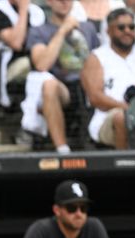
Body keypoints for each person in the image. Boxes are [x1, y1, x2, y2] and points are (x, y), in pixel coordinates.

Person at [20, 0, 100, 153]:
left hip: (89, 85)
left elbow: (101, 60)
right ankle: (62, 149)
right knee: (49, 85)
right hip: (63, 88)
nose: (64, 2)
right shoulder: (39, 31)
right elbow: (42, 65)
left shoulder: (88, 28)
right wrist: (62, 31)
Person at [81, 8, 135, 149]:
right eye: (121, 27)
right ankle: (126, 163)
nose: (127, 31)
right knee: (122, 117)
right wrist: (131, 109)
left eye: (131, 27)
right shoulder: (97, 57)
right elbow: (95, 97)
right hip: (111, 116)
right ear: (108, 30)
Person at [0, 0, 46, 109]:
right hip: (8, 66)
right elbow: (16, 43)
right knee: (28, 64)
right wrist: (23, 9)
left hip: (38, 63)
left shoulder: (37, 12)